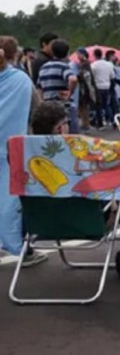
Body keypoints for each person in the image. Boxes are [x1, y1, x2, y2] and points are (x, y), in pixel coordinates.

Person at [0, 41, 48, 266]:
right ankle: (19, 247)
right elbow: (38, 111)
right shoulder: (20, 80)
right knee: (11, 200)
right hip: (11, 149)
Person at [36, 39, 77, 113]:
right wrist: (70, 93)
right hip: (62, 106)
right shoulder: (64, 67)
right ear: (67, 53)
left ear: (52, 52)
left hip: (48, 106)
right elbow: (73, 79)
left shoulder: (43, 67)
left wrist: (42, 102)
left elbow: (39, 88)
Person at [90, 48, 116, 128]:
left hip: (98, 87)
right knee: (106, 105)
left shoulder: (93, 65)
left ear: (95, 55)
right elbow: (112, 77)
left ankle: (100, 123)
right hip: (107, 86)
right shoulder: (109, 65)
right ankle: (113, 120)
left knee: (98, 106)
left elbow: (91, 77)